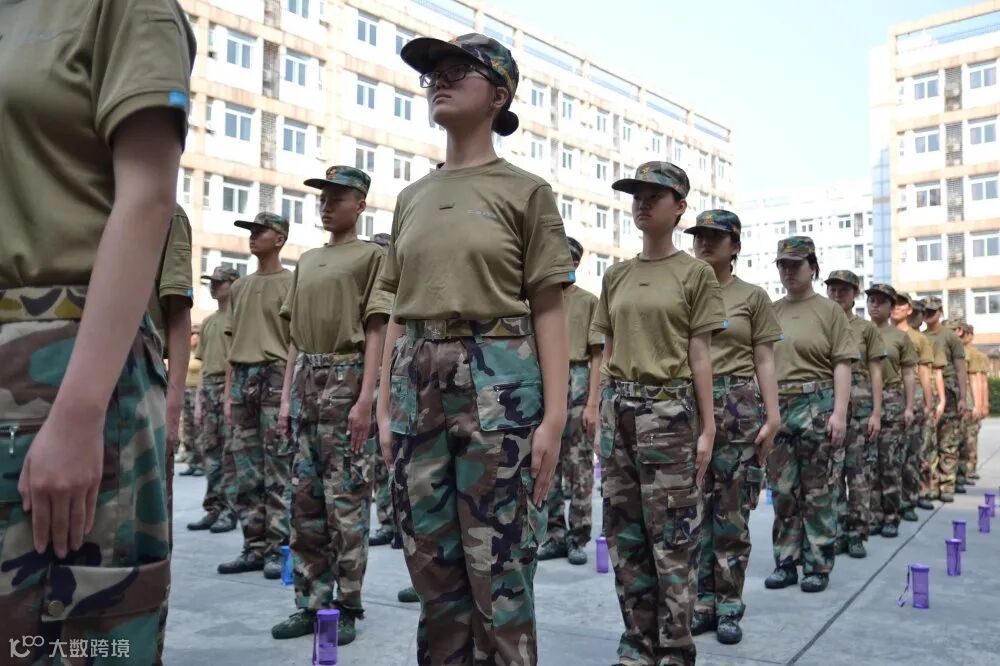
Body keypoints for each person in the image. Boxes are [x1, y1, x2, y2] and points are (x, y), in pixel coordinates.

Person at [0, 1, 194, 660]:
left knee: (72, 635)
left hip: (64, 361)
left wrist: (80, 412)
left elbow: (147, 197)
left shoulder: (117, 7)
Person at [377, 34, 574, 664]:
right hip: (418, 390)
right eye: (433, 72)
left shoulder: (526, 192)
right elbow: (398, 312)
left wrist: (554, 419)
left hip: (500, 388)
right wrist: (383, 406)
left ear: (499, 94)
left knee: (500, 568)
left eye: (458, 69)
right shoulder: (411, 198)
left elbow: (549, 308)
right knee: (431, 569)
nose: (439, 78)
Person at [594, 162, 726, 665]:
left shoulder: (695, 274)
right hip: (619, 410)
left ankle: (674, 646)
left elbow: (700, 355)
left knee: (672, 535)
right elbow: (606, 350)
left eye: (656, 195)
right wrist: (597, 413)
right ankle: (637, 641)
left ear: (680, 207)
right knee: (624, 534)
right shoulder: (617, 275)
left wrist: (708, 427)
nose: (643, 203)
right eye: (637, 195)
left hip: (670, 412)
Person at [270, 166, 390, 645]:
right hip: (306, 381)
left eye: (337, 198)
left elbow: (377, 328)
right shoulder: (308, 259)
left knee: (347, 500)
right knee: (304, 501)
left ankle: (348, 604)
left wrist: (366, 398)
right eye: (323, 198)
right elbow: (294, 338)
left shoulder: (371, 257)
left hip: (346, 376)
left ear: (360, 204)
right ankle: (310, 602)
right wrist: (285, 398)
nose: (326, 205)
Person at [686, 210, 781, 645]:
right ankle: (700, 602)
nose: (705, 243)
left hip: (738, 408)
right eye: (699, 236)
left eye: (716, 237)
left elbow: (764, 358)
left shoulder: (752, 297)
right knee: (692, 512)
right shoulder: (683, 286)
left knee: (730, 512)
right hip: (687, 406)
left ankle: (727, 605)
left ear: (736, 246)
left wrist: (773, 416)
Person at [765, 237, 854, 594]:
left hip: (817, 404)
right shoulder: (771, 311)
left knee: (818, 491)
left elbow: (842, 363)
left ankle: (817, 565)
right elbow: (762, 362)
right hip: (779, 405)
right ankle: (786, 562)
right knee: (783, 490)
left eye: (796, 264)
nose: (788, 271)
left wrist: (840, 413)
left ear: (813, 267)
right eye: (783, 265)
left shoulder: (830, 311)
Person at [218, 213, 295, 578]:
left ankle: (278, 549)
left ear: (279, 239)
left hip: (275, 376)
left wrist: (287, 396)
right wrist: (228, 395)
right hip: (243, 379)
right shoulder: (240, 287)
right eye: (250, 232)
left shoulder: (292, 282)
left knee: (277, 468)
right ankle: (253, 547)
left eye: (260, 231)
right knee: (245, 470)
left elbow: (296, 342)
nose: (252, 237)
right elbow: (231, 344)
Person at [538, 236, 602, 566]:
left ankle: (577, 536)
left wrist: (592, 403)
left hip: (577, 383)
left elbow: (597, 355)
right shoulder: (538, 301)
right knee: (547, 461)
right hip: (545, 383)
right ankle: (553, 534)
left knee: (579, 467)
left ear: (575, 263)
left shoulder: (588, 301)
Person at [824, 270, 883, 558]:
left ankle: (857, 534)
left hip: (860, 410)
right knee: (832, 474)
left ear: (855, 294)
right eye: (833, 289)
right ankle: (836, 532)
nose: (837, 295)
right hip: (829, 407)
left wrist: (877, 412)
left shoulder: (866, 329)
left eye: (844, 290)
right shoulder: (821, 322)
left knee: (858, 473)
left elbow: (875, 371)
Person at [188, 266, 241, 533]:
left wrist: (230, 395)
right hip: (209, 387)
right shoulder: (208, 322)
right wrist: (199, 400)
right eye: (212, 282)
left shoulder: (239, 318)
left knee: (229, 452)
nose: (214, 287)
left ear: (233, 284)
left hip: (230, 386)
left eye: (219, 282)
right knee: (210, 451)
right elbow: (203, 366)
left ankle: (230, 510)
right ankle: (213, 508)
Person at [864, 284, 916, 538]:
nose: (875, 305)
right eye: (872, 300)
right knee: (869, 463)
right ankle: (874, 515)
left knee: (889, 462)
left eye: (881, 301)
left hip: (892, 401)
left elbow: (908, 373)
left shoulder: (900, 337)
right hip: (864, 401)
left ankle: (891, 515)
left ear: (891, 307)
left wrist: (909, 406)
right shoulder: (859, 331)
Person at [367, 232, 401, 548]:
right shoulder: (372, 292)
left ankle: (402, 523)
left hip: (400, 378)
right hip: (375, 378)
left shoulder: (401, 290)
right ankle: (388, 521)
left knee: (399, 455)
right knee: (381, 458)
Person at [892, 293, 935, 520]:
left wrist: (928, 403)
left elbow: (925, 373)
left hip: (913, 397)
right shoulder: (876, 332)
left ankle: (908, 500)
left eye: (901, 304)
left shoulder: (919, 339)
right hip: (885, 397)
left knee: (911, 453)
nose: (896, 307)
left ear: (909, 309)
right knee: (886, 456)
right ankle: (886, 505)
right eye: (894, 303)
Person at [922, 297, 967, 501]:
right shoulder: (921, 336)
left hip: (949, 390)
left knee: (948, 440)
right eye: (925, 311)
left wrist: (963, 397)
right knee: (928, 441)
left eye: (932, 311)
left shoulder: (950, 337)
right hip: (928, 391)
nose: (928, 315)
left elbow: (960, 368)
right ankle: (931, 484)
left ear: (940, 312)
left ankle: (947, 484)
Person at [910, 299, 947, 508]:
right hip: (900, 395)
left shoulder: (928, 341)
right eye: (914, 313)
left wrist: (938, 400)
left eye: (919, 313)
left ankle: (924, 489)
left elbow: (935, 373)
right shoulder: (895, 335)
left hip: (923, 395)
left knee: (925, 446)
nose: (916, 317)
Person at [955, 321, 987, 485]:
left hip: (969, 400)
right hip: (956, 400)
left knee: (969, 438)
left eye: (964, 332)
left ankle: (969, 469)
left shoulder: (975, 354)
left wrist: (981, 404)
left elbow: (980, 381)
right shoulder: (953, 350)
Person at [179, 327, 205, 476]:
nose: (193, 337)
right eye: (191, 334)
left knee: (198, 427)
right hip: (185, 391)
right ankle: (192, 462)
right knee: (187, 429)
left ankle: (201, 463)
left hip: (197, 392)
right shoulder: (186, 353)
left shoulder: (201, 354)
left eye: (196, 334)